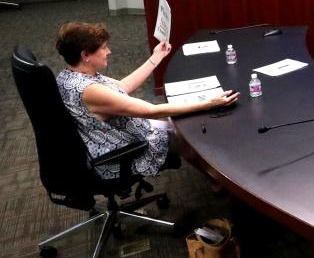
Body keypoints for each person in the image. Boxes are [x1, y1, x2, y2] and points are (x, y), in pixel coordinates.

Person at [55, 22, 238, 179]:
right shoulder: (90, 90)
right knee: (190, 130)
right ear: (85, 55)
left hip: (116, 133)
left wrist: (157, 56)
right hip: (122, 147)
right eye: (103, 48)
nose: (108, 51)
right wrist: (210, 102)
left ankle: (214, 177)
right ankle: (220, 178)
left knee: (182, 118)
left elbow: (123, 86)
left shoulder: (70, 75)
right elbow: (151, 111)